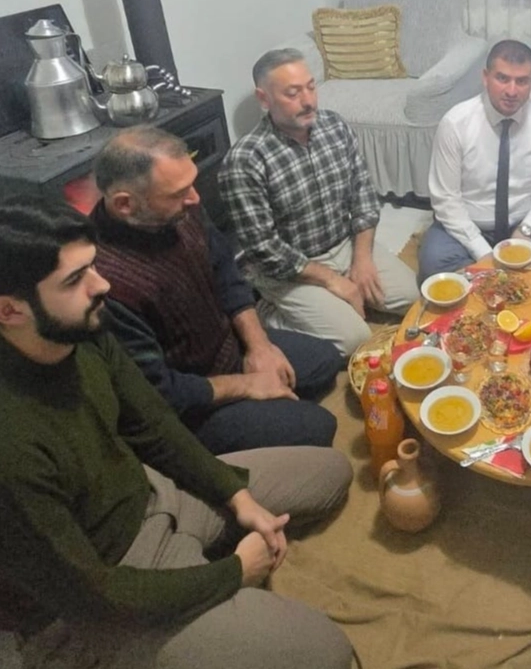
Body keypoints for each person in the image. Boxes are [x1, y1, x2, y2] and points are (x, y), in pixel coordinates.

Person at [0, 195, 355, 669]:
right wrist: (235, 573)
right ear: (10, 311)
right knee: (328, 653)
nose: (101, 285)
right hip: (103, 590)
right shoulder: (12, 443)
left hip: (154, 498)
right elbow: (94, 596)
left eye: (93, 266)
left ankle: (202, 566)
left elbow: (155, 427)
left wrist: (235, 496)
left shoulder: (82, 331)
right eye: (74, 279)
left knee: (331, 473)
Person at [90, 126, 342, 455]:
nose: (195, 198)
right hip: (190, 404)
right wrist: (247, 385)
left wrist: (259, 347)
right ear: (125, 204)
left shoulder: (179, 211)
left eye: (191, 183)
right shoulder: (103, 283)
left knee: (326, 361)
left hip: (225, 348)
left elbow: (226, 271)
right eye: (178, 193)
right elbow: (159, 392)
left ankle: (270, 409)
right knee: (319, 427)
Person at [219, 48, 419, 358]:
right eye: (293, 93)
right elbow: (264, 249)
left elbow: (363, 194)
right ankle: (267, 313)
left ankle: (334, 304)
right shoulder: (245, 161)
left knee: (414, 297)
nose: (308, 101)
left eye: (311, 87)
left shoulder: (334, 126)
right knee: (354, 339)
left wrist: (362, 259)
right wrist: (333, 281)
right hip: (289, 269)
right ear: (264, 99)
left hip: (344, 245)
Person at [417, 39, 531, 282]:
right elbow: (446, 199)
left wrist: (527, 229)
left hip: (524, 222)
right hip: (470, 225)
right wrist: (483, 252)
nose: (512, 91)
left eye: (521, 81)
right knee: (434, 261)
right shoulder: (456, 123)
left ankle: (498, 280)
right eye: (502, 78)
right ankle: (507, 278)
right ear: (485, 77)